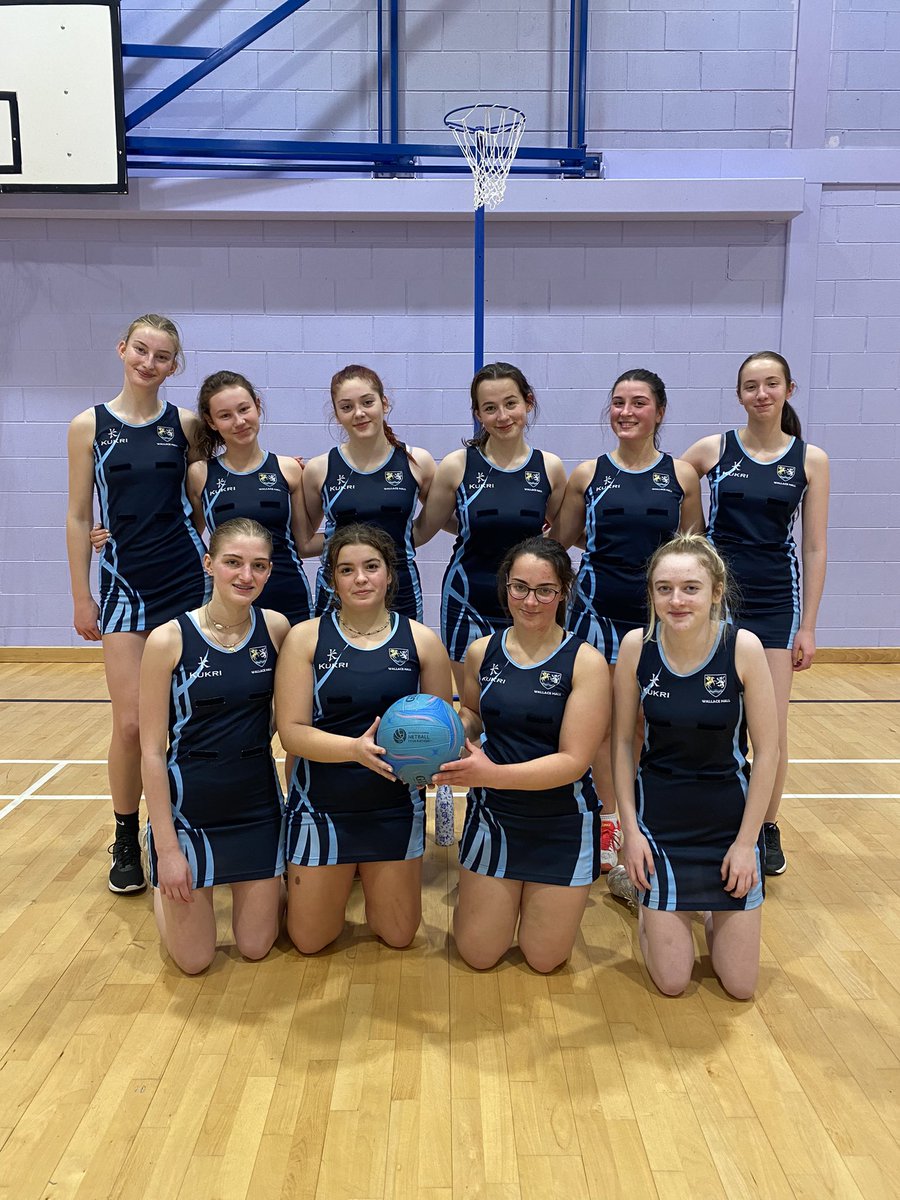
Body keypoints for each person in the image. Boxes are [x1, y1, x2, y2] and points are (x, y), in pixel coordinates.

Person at [66, 314, 208, 895]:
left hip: (185, 581)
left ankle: (181, 827)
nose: (149, 363)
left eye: (163, 356)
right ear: (122, 348)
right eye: (141, 350)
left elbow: (207, 499)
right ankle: (127, 837)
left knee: (185, 721)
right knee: (129, 725)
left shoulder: (188, 424)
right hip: (125, 588)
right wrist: (82, 593)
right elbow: (79, 515)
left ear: (175, 365)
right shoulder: (88, 425)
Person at [611, 534, 779, 999]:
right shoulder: (636, 647)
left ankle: (699, 907)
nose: (676, 599)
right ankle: (646, 899)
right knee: (672, 981)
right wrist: (631, 831)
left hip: (727, 825)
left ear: (716, 591)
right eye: (663, 588)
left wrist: (748, 844)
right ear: (651, 594)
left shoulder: (742, 647)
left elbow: (768, 753)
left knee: (741, 985)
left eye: (690, 587)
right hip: (660, 822)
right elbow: (623, 743)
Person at [681, 352, 829, 875]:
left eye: (771, 384)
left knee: (771, 728)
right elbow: (663, 483)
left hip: (774, 602)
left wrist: (808, 625)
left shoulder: (811, 460)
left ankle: (765, 826)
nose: (761, 394)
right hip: (715, 600)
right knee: (714, 715)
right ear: (739, 394)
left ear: (790, 388)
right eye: (750, 385)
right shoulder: (711, 450)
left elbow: (813, 547)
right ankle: (712, 815)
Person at [433, 537, 610, 973]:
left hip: (561, 821)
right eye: (520, 588)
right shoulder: (481, 652)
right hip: (496, 815)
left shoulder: (585, 662)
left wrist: (489, 774)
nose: (531, 601)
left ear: (563, 591)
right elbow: (473, 713)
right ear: (505, 587)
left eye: (545, 590)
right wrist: (445, 736)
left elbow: (573, 761)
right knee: (478, 954)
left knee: (545, 959)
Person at [275, 524, 454, 953]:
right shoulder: (306, 637)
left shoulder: (422, 641)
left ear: (390, 574)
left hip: (392, 805)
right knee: (309, 941)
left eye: (371, 567)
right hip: (322, 802)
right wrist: (355, 750)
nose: (360, 579)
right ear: (332, 578)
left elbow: (443, 727)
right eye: (347, 569)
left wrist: (438, 764)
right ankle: (285, 881)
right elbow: (292, 732)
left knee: (397, 935)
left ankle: (354, 875)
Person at [551, 368, 702, 872]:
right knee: (595, 727)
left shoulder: (681, 477)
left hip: (654, 625)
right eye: (618, 402)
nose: (626, 412)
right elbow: (565, 538)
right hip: (593, 617)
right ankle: (605, 821)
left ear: (659, 411)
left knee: (640, 725)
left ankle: (639, 823)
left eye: (638, 403)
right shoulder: (587, 474)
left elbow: (690, 551)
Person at [414, 363, 567, 838]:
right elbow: (423, 528)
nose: (501, 415)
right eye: (489, 408)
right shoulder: (457, 466)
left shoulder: (551, 467)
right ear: (477, 414)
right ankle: (451, 803)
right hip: (469, 599)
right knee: (473, 712)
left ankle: (526, 804)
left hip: (530, 604)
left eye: (510, 404)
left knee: (528, 706)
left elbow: (554, 541)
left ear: (528, 403)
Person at [139, 519, 289, 973]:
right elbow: (150, 751)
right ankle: (160, 873)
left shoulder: (278, 629)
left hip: (256, 805)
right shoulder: (168, 639)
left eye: (258, 566)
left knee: (256, 946)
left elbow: (293, 722)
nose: (246, 576)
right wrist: (168, 850)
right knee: (195, 960)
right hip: (191, 807)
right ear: (209, 564)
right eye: (233, 563)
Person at [302, 365, 436, 621]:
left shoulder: (417, 462)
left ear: (384, 403)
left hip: (400, 589)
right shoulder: (319, 469)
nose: (359, 413)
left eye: (367, 402)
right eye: (347, 407)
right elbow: (303, 541)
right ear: (337, 413)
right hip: (337, 590)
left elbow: (442, 520)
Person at [193, 370, 315, 624]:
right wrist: (113, 532)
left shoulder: (288, 469)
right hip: (230, 602)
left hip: (288, 595)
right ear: (212, 421)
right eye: (225, 415)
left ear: (257, 407)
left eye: (243, 409)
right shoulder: (200, 474)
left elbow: (304, 543)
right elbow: (187, 536)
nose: (239, 422)